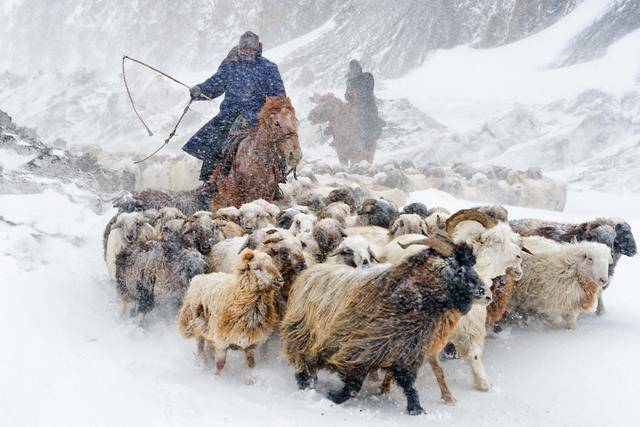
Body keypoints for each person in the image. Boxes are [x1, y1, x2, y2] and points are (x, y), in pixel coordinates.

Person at [183, 31, 286, 181]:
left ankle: (278, 177)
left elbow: (278, 96)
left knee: (278, 142)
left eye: (250, 49)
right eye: (244, 48)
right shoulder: (229, 65)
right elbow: (215, 84)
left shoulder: (269, 68)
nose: (247, 51)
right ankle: (210, 181)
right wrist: (200, 90)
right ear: (239, 48)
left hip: (259, 117)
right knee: (214, 141)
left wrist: (267, 112)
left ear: (257, 49)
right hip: (229, 115)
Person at [344, 59, 382, 151]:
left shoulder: (367, 76)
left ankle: (367, 141)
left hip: (367, 107)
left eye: (354, 68)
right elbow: (347, 96)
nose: (353, 70)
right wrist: (349, 91)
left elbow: (367, 92)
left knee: (364, 121)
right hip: (353, 107)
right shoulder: (350, 82)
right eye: (351, 68)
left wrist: (354, 84)